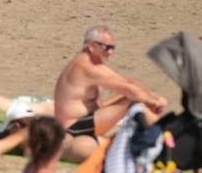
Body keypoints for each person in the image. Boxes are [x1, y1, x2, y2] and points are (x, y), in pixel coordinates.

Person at [52, 25, 168, 162]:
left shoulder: (92, 64)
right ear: (91, 46)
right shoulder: (87, 67)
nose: (110, 52)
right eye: (107, 47)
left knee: (133, 94)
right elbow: (130, 90)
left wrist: (153, 97)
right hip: (74, 127)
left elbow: (129, 82)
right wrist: (154, 102)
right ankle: (158, 138)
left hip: (84, 122)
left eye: (113, 48)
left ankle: (157, 137)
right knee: (133, 99)